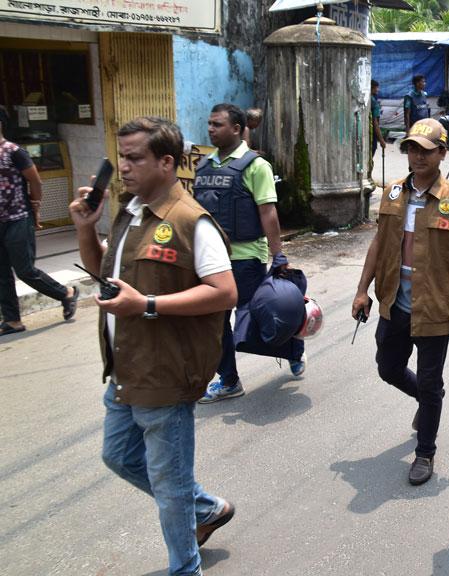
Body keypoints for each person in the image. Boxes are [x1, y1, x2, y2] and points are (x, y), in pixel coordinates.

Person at [72, 116, 238, 576]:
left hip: (165, 375)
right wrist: (86, 227)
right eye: (121, 157)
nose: (123, 167)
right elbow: (105, 274)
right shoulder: (129, 211)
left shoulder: (190, 221)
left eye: (134, 158)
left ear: (166, 163)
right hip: (127, 369)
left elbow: (225, 292)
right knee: (119, 455)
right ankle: (206, 509)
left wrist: (146, 304)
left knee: (169, 485)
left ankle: (185, 568)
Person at [352, 118, 449, 484]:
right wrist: (363, 289)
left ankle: (425, 452)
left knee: (430, 379)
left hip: (436, 308)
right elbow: (378, 244)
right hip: (394, 302)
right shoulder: (392, 193)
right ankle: (427, 402)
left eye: (426, 150)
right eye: (412, 148)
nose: (418, 156)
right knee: (388, 368)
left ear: (441, 152)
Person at [195, 103, 300, 404]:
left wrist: (278, 256)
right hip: (213, 262)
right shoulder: (204, 167)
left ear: (238, 129)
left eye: (217, 124)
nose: (211, 129)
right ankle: (229, 380)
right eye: (210, 124)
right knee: (214, 321)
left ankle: (293, 348)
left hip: (246, 257)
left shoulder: (256, 166)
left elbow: (268, 212)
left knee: (267, 314)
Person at [0, 122, 79, 335]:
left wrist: (35, 208)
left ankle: (66, 293)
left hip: (18, 218)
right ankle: (12, 320)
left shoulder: (14, 152)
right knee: (2, 274)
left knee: (25, 270)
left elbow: (35, 181)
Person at [370, 80, 387, 183]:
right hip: (372, 135)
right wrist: (381, 140)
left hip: (368, 134)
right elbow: (375, 123)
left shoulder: (369, 99)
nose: (378, 89)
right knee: (369, 160)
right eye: (376, 87)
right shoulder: (373, 102)